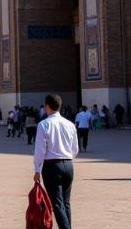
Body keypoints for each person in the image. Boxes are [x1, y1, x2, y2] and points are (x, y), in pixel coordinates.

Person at [34, 93, 79, 229]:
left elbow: (40, 150)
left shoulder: (44, 124)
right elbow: (75, 149)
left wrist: (37, 169)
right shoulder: (70, 124)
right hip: (68, 165)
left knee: (57, 204)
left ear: (47, 106)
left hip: (52, 166)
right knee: (66, 203)